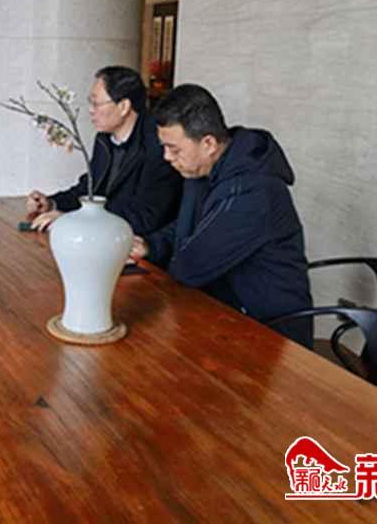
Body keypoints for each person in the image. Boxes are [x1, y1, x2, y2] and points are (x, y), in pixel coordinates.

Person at [130, 84, 313, 346]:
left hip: (271, 335)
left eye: (174, 149)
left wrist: (167, 251)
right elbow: (189, 227)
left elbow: (188, 267)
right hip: (224, 313)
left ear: (209, 143)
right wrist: (150, 245)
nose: (167, 157)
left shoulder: (252, 192)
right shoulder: (207, 168)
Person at [25, 66, 183, 235]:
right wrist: (51, 203)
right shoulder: (104, 140)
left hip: (137, 244)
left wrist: (74, 220)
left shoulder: (159, 145)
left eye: (96, 103)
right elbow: (88, 190)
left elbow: (146, 216)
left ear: (124, 106)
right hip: (103, 235)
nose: (91, 110)